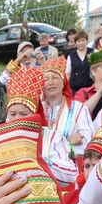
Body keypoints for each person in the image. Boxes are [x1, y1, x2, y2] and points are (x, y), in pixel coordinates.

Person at [40, 57, 93, 189]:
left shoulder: (79, 109)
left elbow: (88, 143)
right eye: (46, 78)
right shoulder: (36, 111)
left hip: (69, 178)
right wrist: (67, 140)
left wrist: (64, 147)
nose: (50, 82)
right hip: (40, 176)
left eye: (55, 77)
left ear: (63, 81)